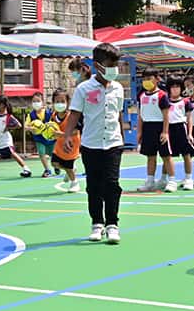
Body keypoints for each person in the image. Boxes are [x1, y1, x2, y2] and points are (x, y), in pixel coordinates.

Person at [63, 42, 125, 244]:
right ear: (98, 65)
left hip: (114, 144)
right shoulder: (84, 88)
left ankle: (112, 224)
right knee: (94, 186)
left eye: (117, 64)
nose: (114, 69)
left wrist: (123, 138)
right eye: (111, 64)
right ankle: (97, 223)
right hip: (91, 144)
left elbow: (119, 115)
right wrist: (66, 137)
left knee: (112, 185)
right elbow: (74, 114)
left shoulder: (118, 88)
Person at [136, 67, 171, 192]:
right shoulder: (141, 95)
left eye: (149, 78)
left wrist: (165, 132)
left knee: (166, 156)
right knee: (150, 156)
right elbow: (140, 114)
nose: (146, 81)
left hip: (160, 126)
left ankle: (170, 180)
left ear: (157, 79)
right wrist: (139, 131)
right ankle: (150, 181)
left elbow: (166, 115)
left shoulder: (162, 95)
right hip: (147, 127)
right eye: (144, 79)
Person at [163, 76, 194, 191]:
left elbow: (189, 118)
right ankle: (166, 179)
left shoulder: (185, 101)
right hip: (168, 128)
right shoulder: (165, 101)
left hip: (181, 127)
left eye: (177, 86)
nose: (175, 89)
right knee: (167, 155)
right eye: (173, 86)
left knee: (186, 155)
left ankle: (188, 178)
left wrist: (190, 134)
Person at [0, 94, 31, 177]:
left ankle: (26, 169)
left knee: (13, 154)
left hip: (5, 141)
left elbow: (19, 125)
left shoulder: (8, 117)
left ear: (2, 105)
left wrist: (8, 127)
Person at [50, 88, 81, 192]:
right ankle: (71, 171)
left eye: (62, 101)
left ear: (68, 103)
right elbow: (51, 128)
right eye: (57, 101)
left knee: (67, 165)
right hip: (60, 143)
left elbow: (75, 132)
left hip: (71, 143)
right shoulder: (53, 116)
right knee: (55, 163)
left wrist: (62, 134)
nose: (60, 104)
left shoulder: (71, 116)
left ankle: (74, 183)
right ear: (53, 103)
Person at [28, 92, 56, 177]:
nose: (36, 103)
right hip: (39, 137)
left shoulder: (49, 113)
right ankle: (47, 170)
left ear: (42, 102)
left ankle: (56, 166)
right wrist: (30, 128)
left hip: (50, 137)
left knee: (53, 155)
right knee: (41, 153)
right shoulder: (31, 115)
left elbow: (55, 123)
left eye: (38, 101)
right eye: (34, 101)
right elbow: (26, 126)